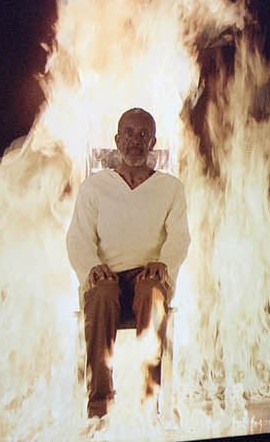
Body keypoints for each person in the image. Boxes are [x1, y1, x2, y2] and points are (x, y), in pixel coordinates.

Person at [65, 107, 191, 417]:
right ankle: (99, 406)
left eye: (143, 135)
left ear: (153, 142)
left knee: (152, 291)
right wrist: (92, 267)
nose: (136, 141)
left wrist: (163, 263)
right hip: (107, 275)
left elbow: (180, 237)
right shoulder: (95, 187)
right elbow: (78, 237)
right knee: (102, 293)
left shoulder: (170, 188)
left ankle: (148, 399)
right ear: (118, 139)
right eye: (129, 134)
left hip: (148, 274)